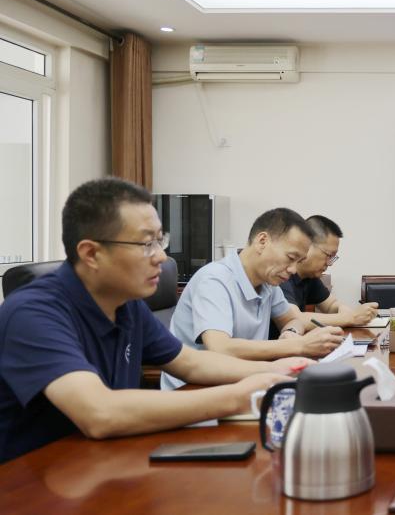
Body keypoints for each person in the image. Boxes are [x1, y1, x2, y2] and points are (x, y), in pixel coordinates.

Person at [0, 178, 311, 462]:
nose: (162, 256)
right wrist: (239, 397)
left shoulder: (127, 305)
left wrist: (276, 371)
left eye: (160, 241)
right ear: (91, 254)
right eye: (146, 243)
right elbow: (99, 413)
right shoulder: (33, 313)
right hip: (33, 479)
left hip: (103, 461)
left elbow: (191, 363)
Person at [162, 208, 345, 389]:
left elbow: (292, 319)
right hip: (195, 390)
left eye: (298, 262)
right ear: (262, 241)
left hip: (245, 381)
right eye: (291, 258)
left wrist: (291, 332)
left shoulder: (268, 282)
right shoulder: (214, 280)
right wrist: (299, 345)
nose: (293, 270)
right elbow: (220, 348)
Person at [275, 215, 378, 335]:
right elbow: (294, 319)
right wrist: (351, 317)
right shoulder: (281, 274)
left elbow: (331, 305)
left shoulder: (309, 275)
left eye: (333, 257)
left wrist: (346, 311)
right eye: (329, 255)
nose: (330, 263)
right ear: (307, 245)